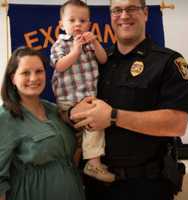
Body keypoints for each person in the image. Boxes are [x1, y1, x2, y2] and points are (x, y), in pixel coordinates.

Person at [70, 0, 188, 200]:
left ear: (145, 13)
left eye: (131, 9)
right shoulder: (99, 61)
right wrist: (73, 112)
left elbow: (176, 124)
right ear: (111, 16)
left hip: (146, 185)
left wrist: (112, 117)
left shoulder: (168, 62)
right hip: (97, 184)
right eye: (117, 10)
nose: (124, 15)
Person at [0, 47, 86, 200]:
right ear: (13, 78)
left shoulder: (55, 111)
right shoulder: (5, 118)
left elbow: (70, 158)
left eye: (39, 71)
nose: (34, 78)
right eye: (26, 73)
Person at [50, 0, 115, 182]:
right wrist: (75, 51)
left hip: (87, 98)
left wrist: (95, 43)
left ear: (89, 23)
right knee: (85, 129)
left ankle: (87, 165)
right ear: (62, 24)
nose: (78, 24)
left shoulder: (89, 42)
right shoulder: (60, 44)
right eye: (72, 20)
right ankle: (92, 163)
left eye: (83, 20)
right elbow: (60, 65)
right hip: (69, 99)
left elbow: (103, 60)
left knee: (91, 128)